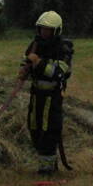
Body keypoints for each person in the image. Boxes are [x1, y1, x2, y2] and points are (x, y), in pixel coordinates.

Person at [19, 11, 73, 175]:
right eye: (41, 29)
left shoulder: (63, 48)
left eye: (48, 30)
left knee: (50, 131)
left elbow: (58, 73)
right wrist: (24, 69)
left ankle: (47, 170)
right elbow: (27, 60)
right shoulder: (35, 44)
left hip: (53, 95)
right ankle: (48, 161)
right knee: (34, 128)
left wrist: (39, 62)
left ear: (56, 31)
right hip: (36, 95)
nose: (44, 32)